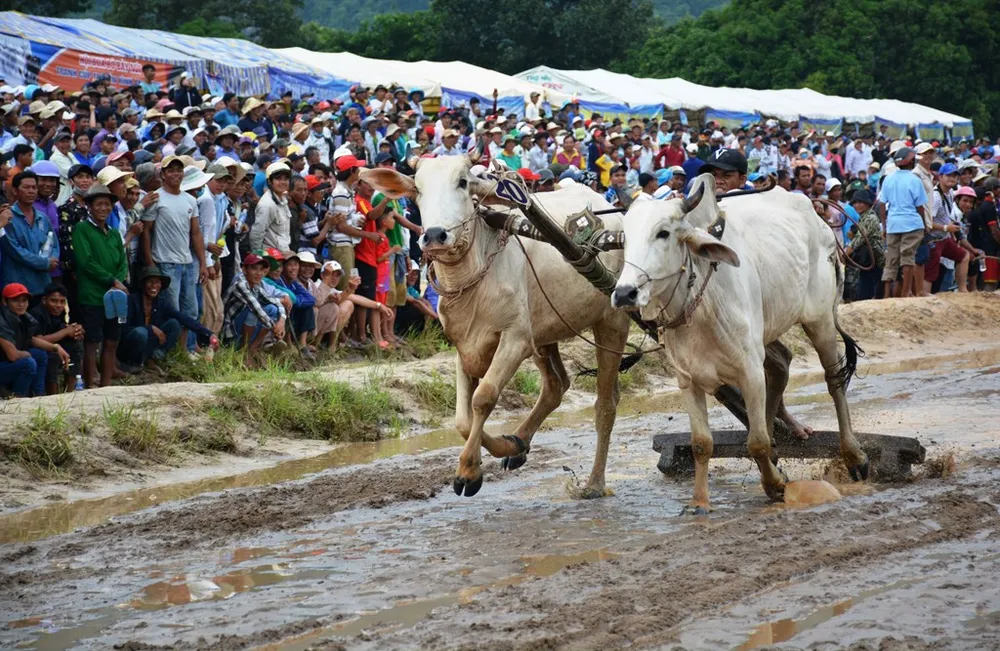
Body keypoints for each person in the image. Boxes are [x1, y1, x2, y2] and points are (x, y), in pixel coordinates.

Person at [140, 155, 207, 339]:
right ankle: (168, 350)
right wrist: (150, 262)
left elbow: (195, 233)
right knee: (172, 311)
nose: (175, 174)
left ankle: (183, 350)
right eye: (171, 170)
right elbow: (146, 231)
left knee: (191, 310)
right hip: (165, 262)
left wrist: (202, 263)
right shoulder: (157, 198)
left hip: (187, 262)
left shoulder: (190, 200)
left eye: (179, 170)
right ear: (163, 174)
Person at [72, 183, 128, 387]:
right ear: (90, 206)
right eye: (99, 204)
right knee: (92, 341)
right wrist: (111, 280)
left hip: (115, 296)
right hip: (92, 295)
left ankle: (106, 385)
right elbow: (86, 262)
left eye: (107, 204)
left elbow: (122, 261)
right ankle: (90, 384)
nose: (103, 208)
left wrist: (118, 282)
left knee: (112, 339)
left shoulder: (113, 232)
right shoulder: (82, 229)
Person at [120, 266, 217, 371]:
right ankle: (132, 364)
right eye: (150, 282)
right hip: (129, 345)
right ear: (143, 284)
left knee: (174, 324)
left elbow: (183, 318)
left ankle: (152, 358)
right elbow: (123, 329)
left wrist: (209, 334)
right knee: (141, 333)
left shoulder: (161, 302)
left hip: (148, 344)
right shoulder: (131, 301)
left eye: (157, 282)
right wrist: (150, 328)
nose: (154, 286)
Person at [0, 282, 70, 397]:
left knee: (40, 354)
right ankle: (17, 398)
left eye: (24, 300)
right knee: (28, 363)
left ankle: (38, 395)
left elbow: (30, 339)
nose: (21, 304)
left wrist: (56, 347)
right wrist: (27, 354)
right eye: (16, 300)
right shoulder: (2, 320)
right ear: (5, 301)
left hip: (6, 364)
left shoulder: (22, 317)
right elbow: (13, 355)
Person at [877, 147, 929, 299]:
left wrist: (885, 226)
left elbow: (882, 204)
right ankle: (906, 292)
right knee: (908, 257)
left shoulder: (888, 178)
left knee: (891, 259)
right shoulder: (915, 179)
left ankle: (886, 295)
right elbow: (920, 207)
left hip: (893, 224)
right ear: (911, 161)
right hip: (912, 224)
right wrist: (925, 225)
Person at [3, 171, 59, 298]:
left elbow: (53, 243)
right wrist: (44, 263)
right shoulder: (7, 217)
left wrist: (53, 260)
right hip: (18, 285)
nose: (31, 191)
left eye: (34, 187)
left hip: (43, 284)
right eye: (26, 187)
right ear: (16, 191)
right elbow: (15, 250)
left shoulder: (42, 217)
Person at [221, 252, 287, 352]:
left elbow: (276, 302)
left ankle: (252, 348)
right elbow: (257, 309)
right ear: (244, 269)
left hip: (242, 330)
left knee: (272, 309)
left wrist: (282, 321)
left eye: (261, 270)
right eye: (254, 268)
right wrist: (275, 328)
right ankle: (244, 350)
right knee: (254, 312)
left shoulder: (256, 286)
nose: (259, 273)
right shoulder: (240, 284)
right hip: (230, 334)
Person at [924, 163, 971, 294]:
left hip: (944, 237)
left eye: (955, 176)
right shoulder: (936, 197)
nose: (952, 178)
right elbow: (927, 223)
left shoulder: (950, 192)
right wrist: (946, 227)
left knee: (964, 256)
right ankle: (923, 301)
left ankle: (962, 290)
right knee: (930, 273)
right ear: (940, 177)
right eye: (949, 175)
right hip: (933, 239)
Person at [29, 283, 84, 394]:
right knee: (52, 356)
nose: (58, 305)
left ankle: (71, 391)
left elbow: (66, 329)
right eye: (53, 301)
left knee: (76, 345)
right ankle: (52, 395)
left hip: (58, 346)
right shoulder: (37, 313)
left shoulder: (63, 311)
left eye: (62, 301)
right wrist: (65, 332)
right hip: (39, 349)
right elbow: (37, 340)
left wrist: (76, 331)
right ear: (44, 300)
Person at [843, 190, 885, 301]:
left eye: (860, 202)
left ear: (867, 204)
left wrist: (843, 256)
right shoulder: (863, 217)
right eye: (855, 203)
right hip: (868, 261)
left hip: (875, 261)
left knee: (866, 295)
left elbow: (857, 241)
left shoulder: (870, 218)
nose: (857, 205)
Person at [249, 162, 293, 252]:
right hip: (271, 256)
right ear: (269, 181)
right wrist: (258, 256)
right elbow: (257, 233)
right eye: (278, 179)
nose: (283, 182)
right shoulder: (267, 204)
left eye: (286, 179)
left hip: (283, 252)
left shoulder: (283, 199)